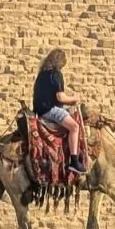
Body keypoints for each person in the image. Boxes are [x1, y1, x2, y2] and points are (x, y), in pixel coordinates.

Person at [32, 48, 88, 176]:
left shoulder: (42, 74)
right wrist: (75, 98)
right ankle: (74, 161)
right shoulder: (56, 74)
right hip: (50, 110)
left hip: (40, 110)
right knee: (74, 127)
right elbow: (61, 98)